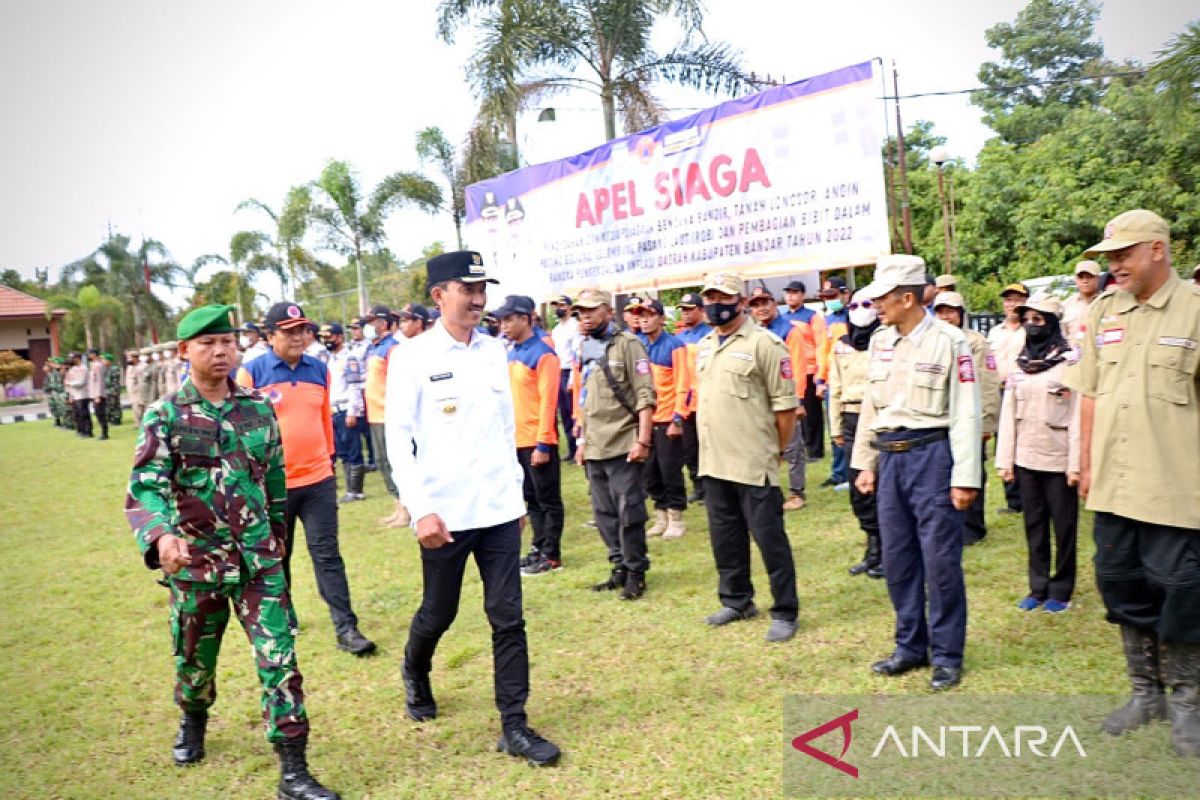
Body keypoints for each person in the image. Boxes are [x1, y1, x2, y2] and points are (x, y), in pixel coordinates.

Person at [125, 304, 340, 799]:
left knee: (279, 658)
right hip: (197, 564)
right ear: (185, 351)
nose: (220, 351)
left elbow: (275, 481)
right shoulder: (166, 416)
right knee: (194, 661)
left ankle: (293, 771)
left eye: (227, 341)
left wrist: (278, 536)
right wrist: (161, 538)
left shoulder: (258, 408)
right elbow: (146, 488)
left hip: (258, 562)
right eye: (207, 343)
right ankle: (193, 717)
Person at [385, 251, 562, 767]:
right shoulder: (411, 356)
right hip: (444, 513)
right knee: (439, 612)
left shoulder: (493, 351)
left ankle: (515, 725)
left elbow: (504, 429)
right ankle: (415, 669)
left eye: (483, 288)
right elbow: (399, 442)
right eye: (469, 289)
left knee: (508, 617)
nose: (480, 299)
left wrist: (515, 493)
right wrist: (420, 510)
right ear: (440, 295)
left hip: (498, 509)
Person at [1070, 209, 1200, 756]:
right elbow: (1092, 393)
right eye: (1110, 257)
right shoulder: (1105, 312)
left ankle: (1188, 701)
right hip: (1115, 484)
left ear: (1157, 249)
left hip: (1175, 484)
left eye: (1123, 254)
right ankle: (1145, 694)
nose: (1114, 265)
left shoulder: (1194, 310)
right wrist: (1083, 462)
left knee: (1182, 590)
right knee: (1119, 583)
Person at [852, 254, 982, 691]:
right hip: (890, 458)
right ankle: (910, 646)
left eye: (882, 299)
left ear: (908, 297)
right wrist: (864, 462)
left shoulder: (950, 341)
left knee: (940, 562)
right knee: (898, 559)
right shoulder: (879, 342)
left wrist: (965, 477)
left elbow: (966, 412)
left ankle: (946, 654)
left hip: (932, 457)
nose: (876, 307)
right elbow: (872, 404)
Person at [238, 302, 376, 658]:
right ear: (270, 337)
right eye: (289, 331)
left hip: (318, 480)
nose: (299, 337)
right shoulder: (251, 374)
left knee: (327, 555)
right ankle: (283, 618)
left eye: (302, 330)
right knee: (278, 556)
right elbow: (242, 433)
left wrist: (329, 463)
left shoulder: (320, 369)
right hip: (274, 486)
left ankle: (346, 628)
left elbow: (325, 422)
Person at [694, 272, 801, 643]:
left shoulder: (765, 344)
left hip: (753, 461)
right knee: (725, 537)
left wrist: (774, 450)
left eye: (722, 297)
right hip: (713, 461)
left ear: (739, 301)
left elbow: (785, 409)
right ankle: (737, 599)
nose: (714, 304)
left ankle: (785, 610)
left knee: (770, 539)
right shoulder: (705, 345)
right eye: (709, 297)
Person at [994, 295, 1080, 613]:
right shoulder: (1020, 364)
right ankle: (1038, 586)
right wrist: (1005, 460)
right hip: (1026, 457)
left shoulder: (1070, 363)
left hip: (1058, 460)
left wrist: (1076, 465)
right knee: (1034, 524)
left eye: (1039, 320)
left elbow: (1077, 418)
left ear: (1053, 324)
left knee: (1064, 526)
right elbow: (1008, 414)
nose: (1031, 325)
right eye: (1027, 318)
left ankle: (1062, 588)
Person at [572, 288, 656, 599]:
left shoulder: (628, 345)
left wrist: (643, 439)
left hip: (623, 441)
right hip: (594, 445)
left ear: (609, 311)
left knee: (629, 510)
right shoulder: (585, 347)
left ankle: (636, 570)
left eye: (592, 310)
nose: (586, 315)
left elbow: (645, 394)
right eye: (582, 311)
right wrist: (580, 440)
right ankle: (618, 565)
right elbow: (584, 398)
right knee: (604, 512)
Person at [496, 295, 566, 575]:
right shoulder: (513, 352)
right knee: (531, 498)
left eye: (509, 319)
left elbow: (549, 402)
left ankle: (552, 554)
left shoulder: (543, 354)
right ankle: (539, 546)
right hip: (518, 439)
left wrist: (543, 443)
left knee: (548, 499)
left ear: (526, 319)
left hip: (538, 439)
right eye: (502, 320)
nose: (504, 325)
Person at [932, 292, 1002, 545]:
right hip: (945, 419)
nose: (945, 316)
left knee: (973, 469)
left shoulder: (975, 342)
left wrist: (986, 422)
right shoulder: (935, 341)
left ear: (961, 313)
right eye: (940, 311)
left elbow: (988, 383)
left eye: (950, 311)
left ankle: (974, 526)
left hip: (971, 416)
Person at [828, 289, 884, 578]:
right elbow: (834, 387)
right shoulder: (841, 345)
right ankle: (872, 547)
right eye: (854, 305)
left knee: (883, 485)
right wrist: (836, 427)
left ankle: (887, 551)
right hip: (851, 417)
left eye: (866, 304)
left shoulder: (886, 339)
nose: (860, 310)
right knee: (858, 487)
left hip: (880, 416)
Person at [626, 297, 690, 540]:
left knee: (669, 469)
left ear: (662, 319)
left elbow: (684, 383)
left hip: (666, 417)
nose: (643, 319)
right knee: (649, 471)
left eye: (649, 314)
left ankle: (676, 516)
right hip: (645, 418)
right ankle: (660, 515)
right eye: (639, 315)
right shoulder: (637, 345)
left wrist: (678, 417)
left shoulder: (675, 346)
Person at [748, 286, 809, 511]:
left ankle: (796, 492)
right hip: (761, 400)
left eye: (765, 303)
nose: (761, 308)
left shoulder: (788, 330)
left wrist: (799, 400)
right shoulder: (752, 333)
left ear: (774, 304)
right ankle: (769, 490)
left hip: (785, 397)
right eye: (755, 304)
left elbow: (798, 367)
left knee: (792, 447)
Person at [364, 305, 409, 528]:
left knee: (394, 461)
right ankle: (398, 505)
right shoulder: (374, 348)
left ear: (385, 323)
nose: (369, 326)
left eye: (374, 321)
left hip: (388, 413)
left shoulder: (394, 348)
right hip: (374, 413)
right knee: (381, 462)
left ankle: (407, 507)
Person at [987, 282, 1030, 515]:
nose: (1012, 305)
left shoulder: (1030, 330)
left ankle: (1028, 496)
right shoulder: (995, 332)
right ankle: (1013, 500)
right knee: (1003, 442)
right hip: (999, 391)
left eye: (1017, 300)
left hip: (1024, 392)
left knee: (1024, 441)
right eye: (1008, 300)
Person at [321, 322, 367, 503]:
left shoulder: (350, 358)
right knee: (342, 451)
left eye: (329, 337)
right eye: (324, 338)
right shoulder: (329, 359)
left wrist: (353, 412)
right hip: (333, 410)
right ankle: (350, 489)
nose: (327, 341)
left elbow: (355, 386)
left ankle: (356, 490)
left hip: (346, 408)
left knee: (353, 449)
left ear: (339, 337)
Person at [781, 280, 827, 459]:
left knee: (810, 414)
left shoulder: (812, 316)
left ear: (802, 295)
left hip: (808, 370)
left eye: (794, 292)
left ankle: (814, 451)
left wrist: (819, 373)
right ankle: (790, 449)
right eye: (788, 292)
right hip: (787, 371)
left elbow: (821, 344)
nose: (790, 296)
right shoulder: (781, 317)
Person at [674, 293, 712, 503]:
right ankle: (698, 486)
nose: (686, 313)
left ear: (700, 310)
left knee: (709, 445)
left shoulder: (710, 335)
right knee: (690, 448)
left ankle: (711, 487)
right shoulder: (679, 338)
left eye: (690, 309)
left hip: (705, 399)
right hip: (686, 402)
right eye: (683, 310)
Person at [818, 276, 851, 489]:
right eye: (826, 297)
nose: (830, 300)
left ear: (845, 294)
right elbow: (824, 352)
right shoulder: (827, 320)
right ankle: (839, 473)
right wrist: (820, 379)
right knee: (836, 428)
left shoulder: (857, 315)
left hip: (853, 380)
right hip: (832, 381)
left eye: (833, 296)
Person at [549, 294, 582, 462]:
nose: (558, 308)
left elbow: (576, 353)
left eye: (561, 305)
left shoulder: (574, 326)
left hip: (570, 372)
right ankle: (570, 448)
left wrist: (571, 380)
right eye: (556, 305)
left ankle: (578, 446)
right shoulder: (556, 329)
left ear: (569, 307)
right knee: (564, 412)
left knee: (573, 411)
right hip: (559, 371)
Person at [345, 317, 376, 471]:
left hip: (365, 388)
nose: (354, 331)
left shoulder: (368, 347)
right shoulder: (349, 347)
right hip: (354, 389)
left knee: (369, 428)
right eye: (352, 328)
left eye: (356, 328)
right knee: (359, 426)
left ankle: (373, 458)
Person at [1062, 260, 1102, 343]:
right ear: (1076, 279)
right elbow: (1063, 335)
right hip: (1074, 353)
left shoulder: (1107, 302)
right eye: (1081, 277)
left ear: (1098, 278)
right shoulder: (1066, 305)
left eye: (1089, 276)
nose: (1085, 281)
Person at [64, 353, 92, 437]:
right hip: (74, 395)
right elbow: (67, 381)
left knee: (84, 414)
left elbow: (81, 382)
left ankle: (88, 432)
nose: (71, 360)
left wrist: (69, 383)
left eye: (72, 358)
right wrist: (70, 395)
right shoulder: (72, 369)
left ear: (77, 358)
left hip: (82, 394)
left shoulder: (84, 368)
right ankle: (81, 430)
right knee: (77, 415)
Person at [87, 349, 109, 440]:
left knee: (100, 414)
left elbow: (99, 381)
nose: (89, 356)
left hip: (98, 394)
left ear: (94, 354)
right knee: (98, 413)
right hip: (94, 393)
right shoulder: (94, 364)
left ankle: (104, 433)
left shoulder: (98, 365)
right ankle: (103, 432)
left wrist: (98, 396)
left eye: (90, 354)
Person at [103, 352, 123, 426]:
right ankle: (110, 419)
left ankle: (116, 419)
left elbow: (115, 382)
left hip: (113, 390)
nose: (103, 361)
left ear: (109, 361)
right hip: (107, 390)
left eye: (104, 360)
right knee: (108, 405)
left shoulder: (114, 369)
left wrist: (115, 391)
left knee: (115, 405)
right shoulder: (106, 369)